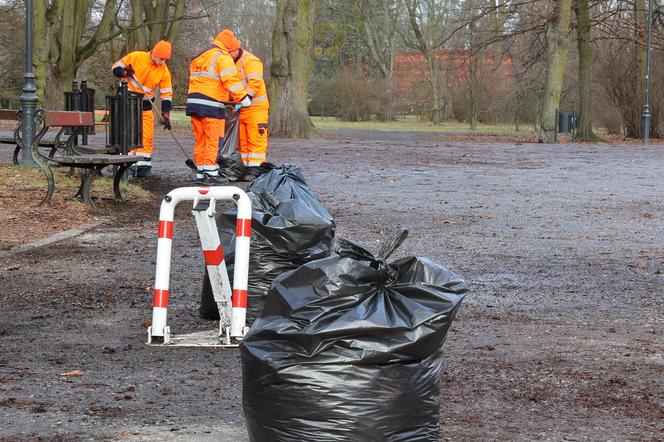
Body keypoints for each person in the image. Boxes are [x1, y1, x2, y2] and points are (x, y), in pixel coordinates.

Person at [186, 31, 251, 183]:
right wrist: (243, 98)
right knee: (213, 139)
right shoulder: (222, 57)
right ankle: (211, 173)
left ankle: (201, 172)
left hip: (194, 103)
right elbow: (231, 80)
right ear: (230, 47)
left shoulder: (200, 56)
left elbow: (207, 81)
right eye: (235, 51)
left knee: (200, 139)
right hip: (211, 105)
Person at [111, 40, 174, 177]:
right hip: (126, 100)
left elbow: (167, 93)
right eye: (161, 59)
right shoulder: (137, 57)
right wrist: (124, 72)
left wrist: (166, 113)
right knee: (128, 133)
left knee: (147, 135)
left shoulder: (164, 70)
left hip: (145, 105)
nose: (162, 62)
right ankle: (127, 166)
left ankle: (143, 168)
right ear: (154, 54)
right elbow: (115, 67)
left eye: (165, 59)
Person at [217, 30, 270, 180]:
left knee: (256, 138)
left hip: (256, 107)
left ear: (235, 50)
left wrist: (244, 98)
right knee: (243, 140)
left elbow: (255, 83)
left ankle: (256, 168)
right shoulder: (231, 62)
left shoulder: (251, 61)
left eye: (228, 53)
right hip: (242, 108)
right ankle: (247, 167)